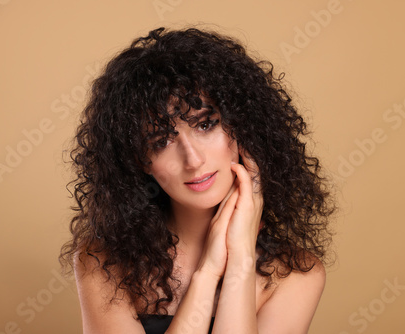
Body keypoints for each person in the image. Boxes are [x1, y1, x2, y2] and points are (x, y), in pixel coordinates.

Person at [60, 26, 334, 334]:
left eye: (206, 124)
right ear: (140, 161)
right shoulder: (104, 263)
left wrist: (241, 256)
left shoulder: (295, 275)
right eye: (161, 141)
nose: (193, 160)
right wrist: (208, 272)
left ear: (242, 125)